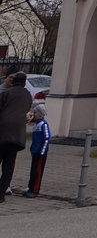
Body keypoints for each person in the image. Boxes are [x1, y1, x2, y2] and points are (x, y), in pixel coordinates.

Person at [0, 72, 31, 201]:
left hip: (3, 133)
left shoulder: (6, 94)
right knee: (9, 166)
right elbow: (26, 110)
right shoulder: (28, 95)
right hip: (18, 134)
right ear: (24, 83)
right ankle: (1, 194)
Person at [24, 102, 50, 198]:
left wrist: (42, 152)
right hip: (35, 152)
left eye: (35, 113)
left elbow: (46, 138)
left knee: (38, 172)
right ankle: (30, 187)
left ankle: (35, 190)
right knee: (33, 170)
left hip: (40, 153)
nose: (33, 115)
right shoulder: (36, 124)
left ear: (40, 114)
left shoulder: (43, 124)